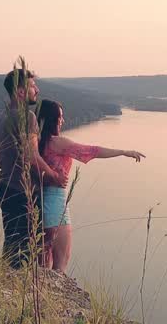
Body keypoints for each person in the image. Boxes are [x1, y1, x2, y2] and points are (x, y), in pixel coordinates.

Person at [36, 99, 144, 273]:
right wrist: (124, 152)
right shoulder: (58, 143)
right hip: (56, 206)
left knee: (42, 266)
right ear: (52, 119)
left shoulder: (37, 144)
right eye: (60, 117)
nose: (62, 121)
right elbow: (91, 151)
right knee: (60, 265)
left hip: (39, 205)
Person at [0, 67, 68, 268]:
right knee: (23, 251)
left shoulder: (1, 118)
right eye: (33, 86)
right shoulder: (28, 118)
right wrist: (54, 176)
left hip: (4, 188)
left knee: (12, 244)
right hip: (21, 190)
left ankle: (5, 286)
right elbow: (31, 155)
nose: (38, 90)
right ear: (20, 92)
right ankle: (15, 293)